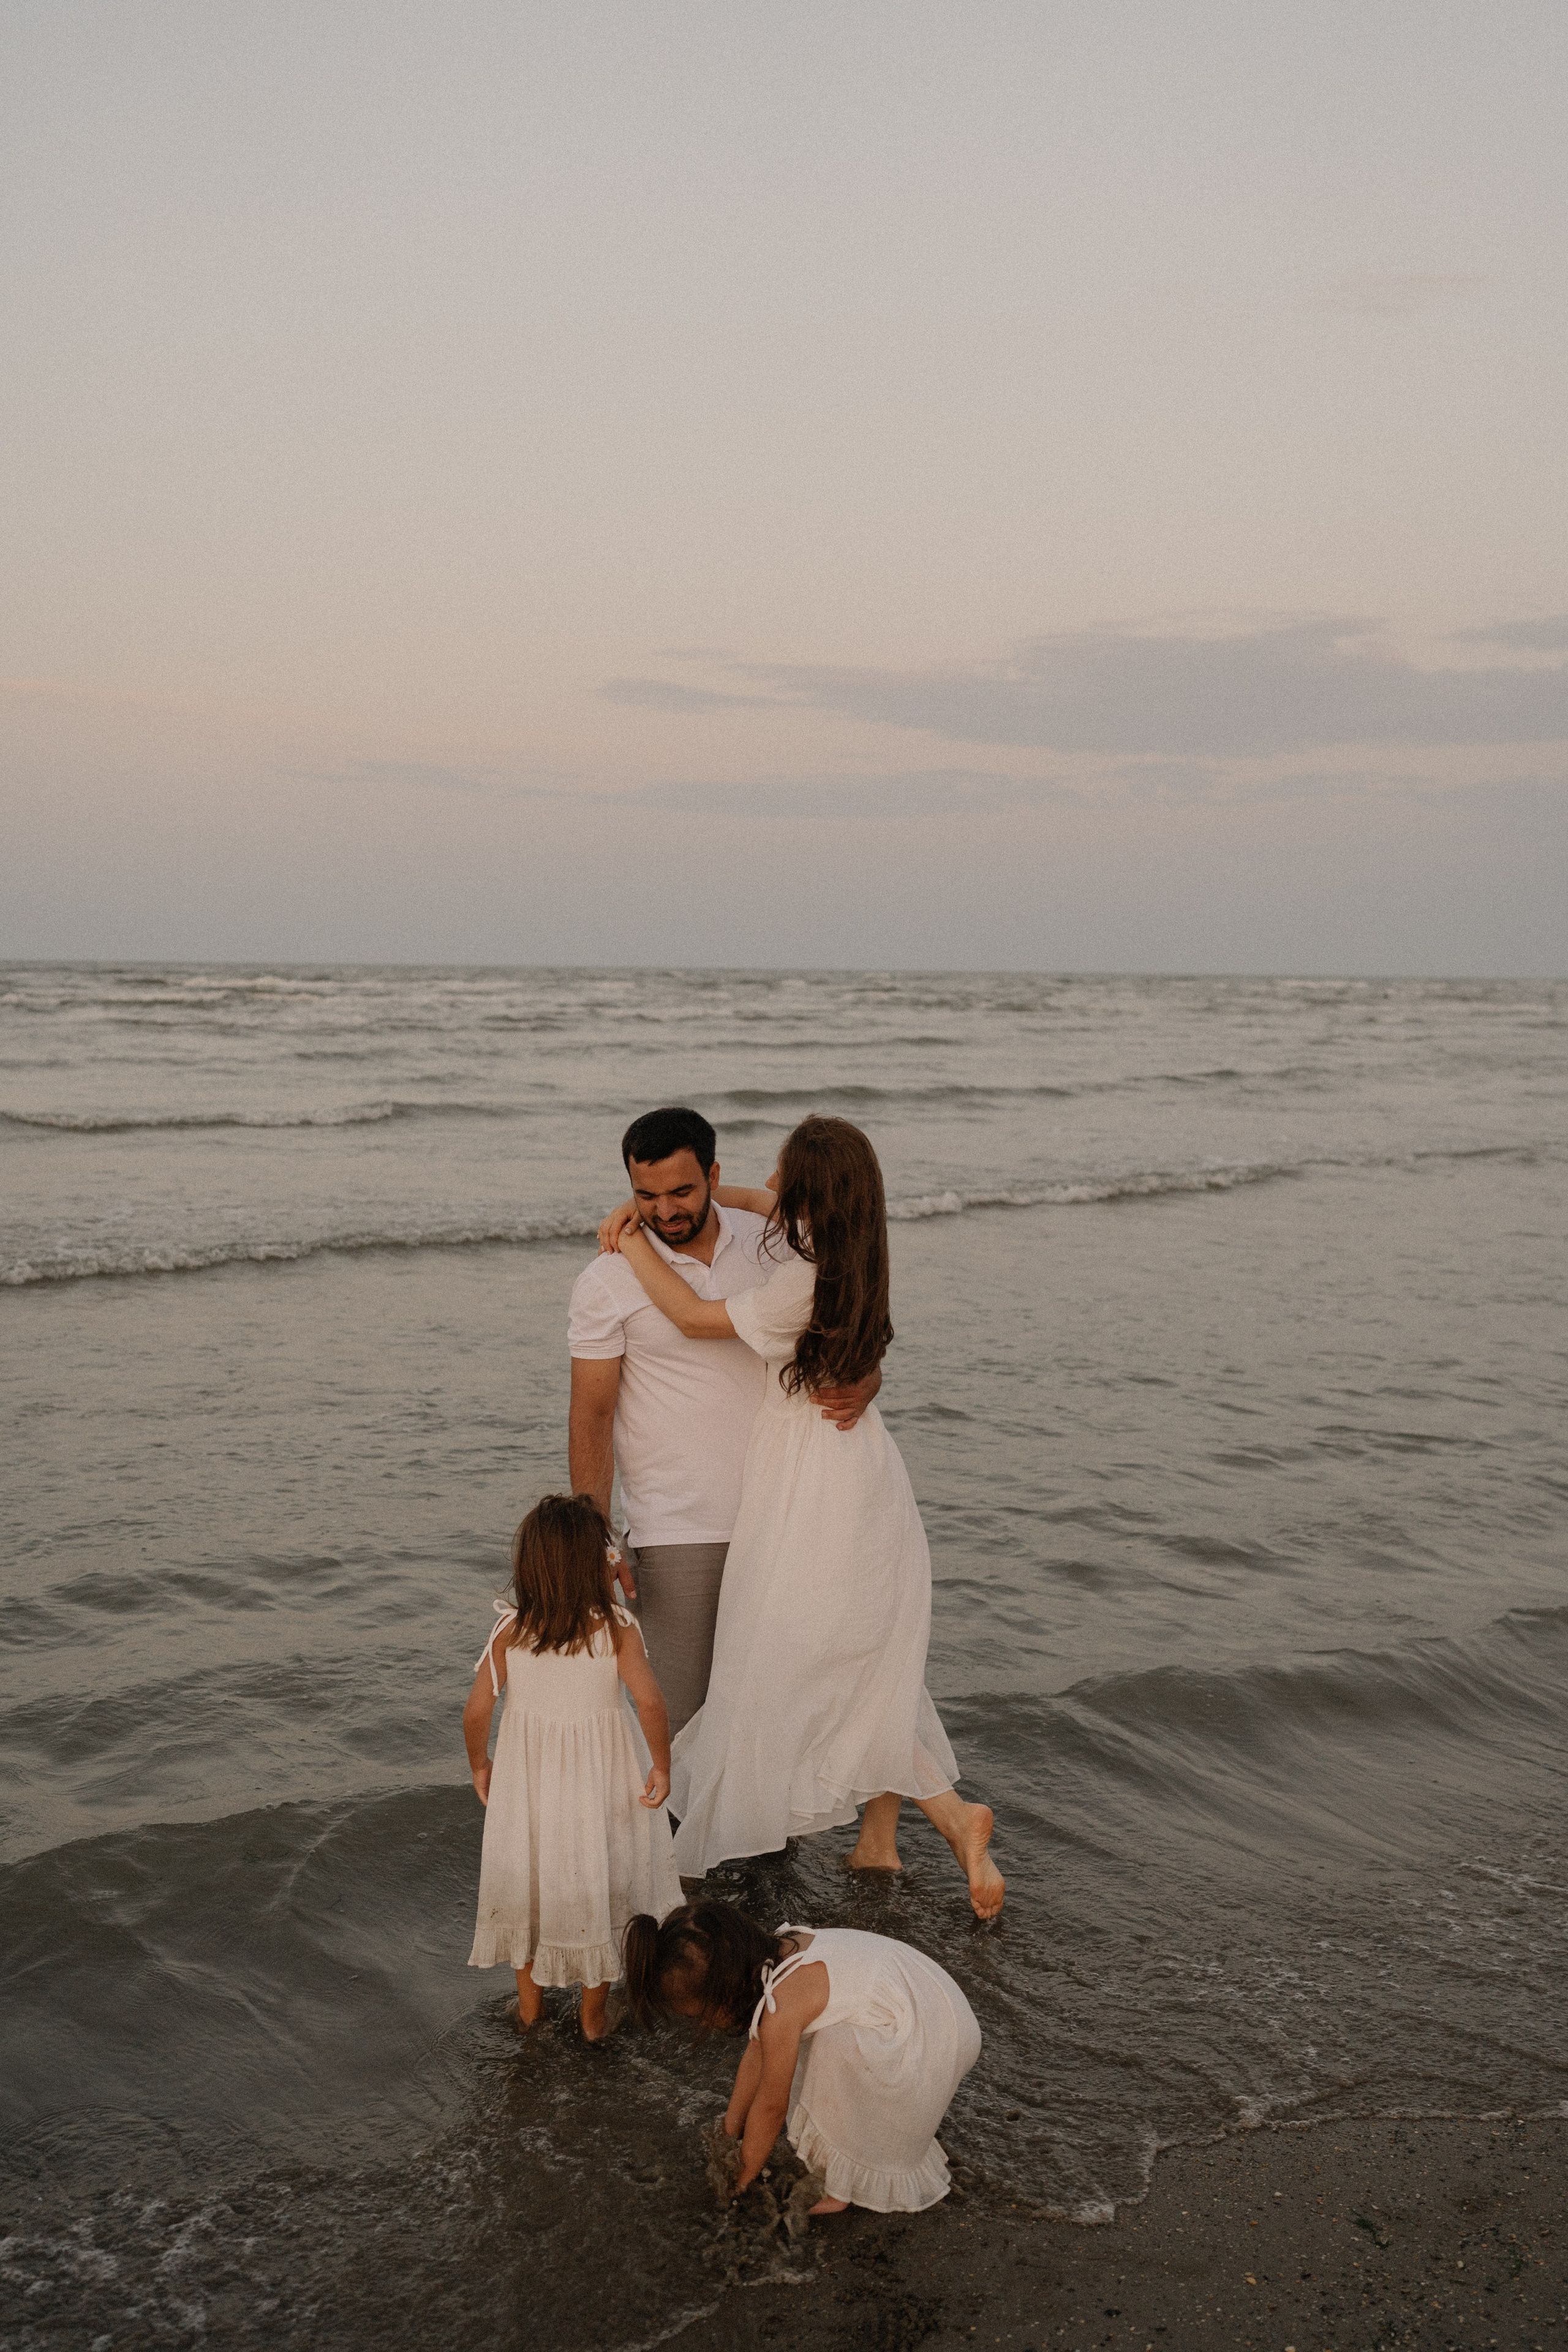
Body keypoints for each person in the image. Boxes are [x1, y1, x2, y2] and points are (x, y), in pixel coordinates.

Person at [608, 1114, 1004, 1919]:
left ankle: (956, 1820)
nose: (770, 1189)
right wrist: (719, 1195)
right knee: (863, 1657)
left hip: (811, 1481)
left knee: (795, 1659)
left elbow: (690, 1317)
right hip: (861, 1471)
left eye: (784, 1181)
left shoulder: (799, 1280)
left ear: (808, 1201)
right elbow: (763, 1198)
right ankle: (879, 1840)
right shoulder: (853, 1249)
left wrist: (630, 1245)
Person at [568, 1106, 878, 1737]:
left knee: (784, 1716)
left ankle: (779, 1844)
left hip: (789, 1513)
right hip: (681, 1526)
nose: (664, 1212)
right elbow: (591, 1417)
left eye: (682, 1191)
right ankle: (684, 1842)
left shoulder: (775, 1245)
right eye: (645, 1196)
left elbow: (849, 1303)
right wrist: (595, 1536)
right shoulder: (606, 1279)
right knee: (684, 1728)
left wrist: (868, 1375)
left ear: (713, 1173)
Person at [462, 1491, 681, 2041]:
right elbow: (651, 1703)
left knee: (531, 1884)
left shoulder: (511, 1631)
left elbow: (476, 1709)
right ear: (596, 1565)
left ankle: (531, 2012)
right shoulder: (616, 1629)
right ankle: (591, 2017)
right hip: (602, 1783)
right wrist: (661, 1768)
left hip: (529, 1787)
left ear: (528, 1565)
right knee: (597, 1880)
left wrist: (481, 1766)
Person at [623, 1901, 981, 2215]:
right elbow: (755, 2053)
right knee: (804, 2043)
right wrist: (729, 2130)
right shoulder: (784, 1952)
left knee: (822, 2051)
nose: (702, 2024)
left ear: (724, 1992)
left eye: (697, 2016)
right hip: (942, 2012)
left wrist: (741, 2182)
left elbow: (771, 2105)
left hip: (928, 2040)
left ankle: (838, 2190)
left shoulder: (782, 2008)